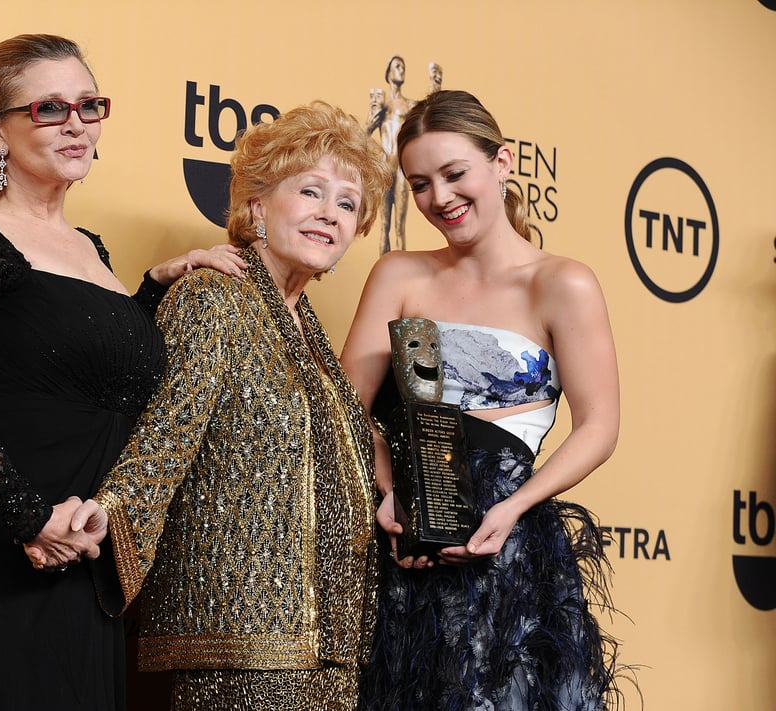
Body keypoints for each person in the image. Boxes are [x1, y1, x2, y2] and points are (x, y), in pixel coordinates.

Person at [0, 33, 245, 711]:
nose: (78, 122)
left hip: (81, 551)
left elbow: (90, 375)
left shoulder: (91, 247)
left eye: (90, 104)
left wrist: (153, 289)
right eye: (50, 108)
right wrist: (31, 519)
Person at [55, 101, 393, 710]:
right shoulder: (214, 296)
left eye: (347, 204)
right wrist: (112, 512)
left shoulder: (308, 329)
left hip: (334, 640)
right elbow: (168, 434)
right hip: (240, 637)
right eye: (311, 191)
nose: (329, 214)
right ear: (257, 205)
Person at [342, 90, 625, 710]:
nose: (439, 198)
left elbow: (599, 425)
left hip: (508, 547)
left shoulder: (561, 283)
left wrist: (517, 507)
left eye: (454, 173)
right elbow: (345, 409)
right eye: (419, 184)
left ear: (502, 163)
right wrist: (390, 493)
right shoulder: (399, 274)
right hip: (408, 548)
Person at [367, 55, 416, 254]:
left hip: (402, 170)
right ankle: (383, 274)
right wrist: (378, 150)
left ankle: (401, 280)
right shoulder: (380, 105)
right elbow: (363, 136)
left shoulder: (410, 105)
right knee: (383, 226)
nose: (401, 70)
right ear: (388, 73)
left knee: (399, 228)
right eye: (397, 66)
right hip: (385, 168)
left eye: (403, 66)